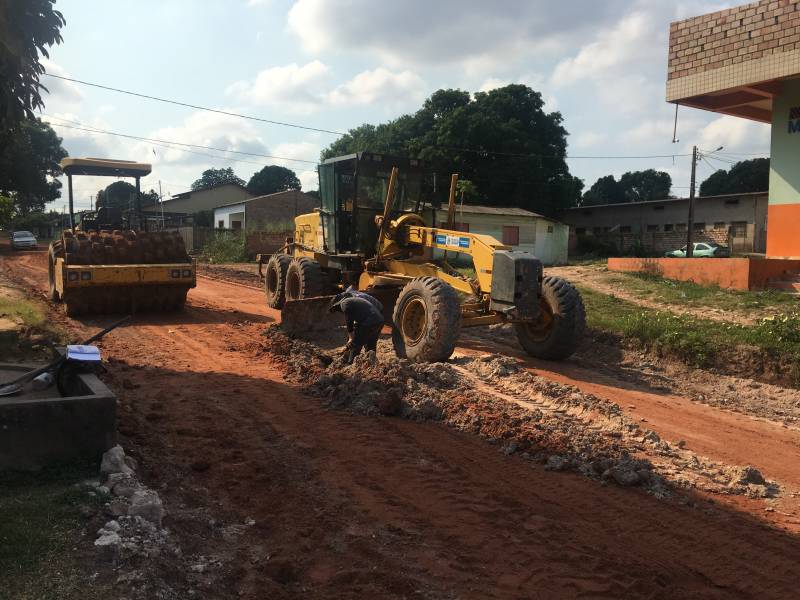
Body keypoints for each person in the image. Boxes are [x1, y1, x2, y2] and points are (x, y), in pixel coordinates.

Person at [329, 293, 384, 364]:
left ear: (337, 305)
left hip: (369, 321)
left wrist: (351, 338)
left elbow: (349, 320)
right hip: (379, 321)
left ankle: (350, 364)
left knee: (356, 345)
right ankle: (371, 364)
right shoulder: (354, 301)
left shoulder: (344, 303)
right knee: (370, 345)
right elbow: (356, 325)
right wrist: (349, 341)